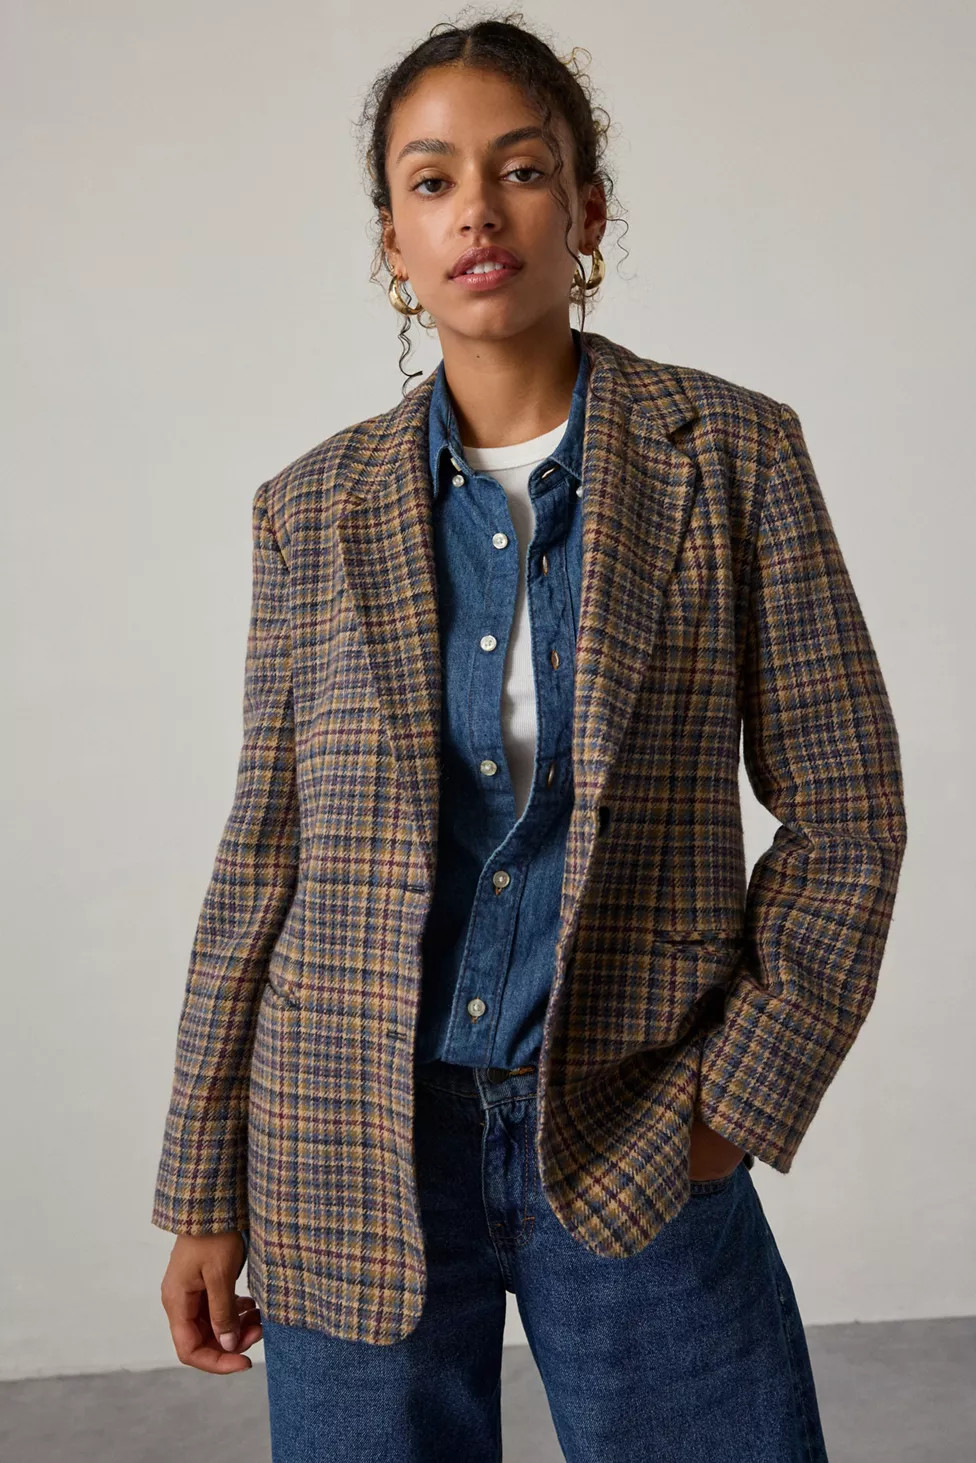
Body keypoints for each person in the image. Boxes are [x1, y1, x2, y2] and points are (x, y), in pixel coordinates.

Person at [154, 14, 907, 1462]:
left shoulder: (734, 455)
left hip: (636, 1121)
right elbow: (262, 858)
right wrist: (201, 1184)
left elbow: (849, 810)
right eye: (431, 181)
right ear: (393, 240)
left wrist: (730, 1108)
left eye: (520, 169)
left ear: (587, 210)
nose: (477, 213)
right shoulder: (308, 509)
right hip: (346, 1140)